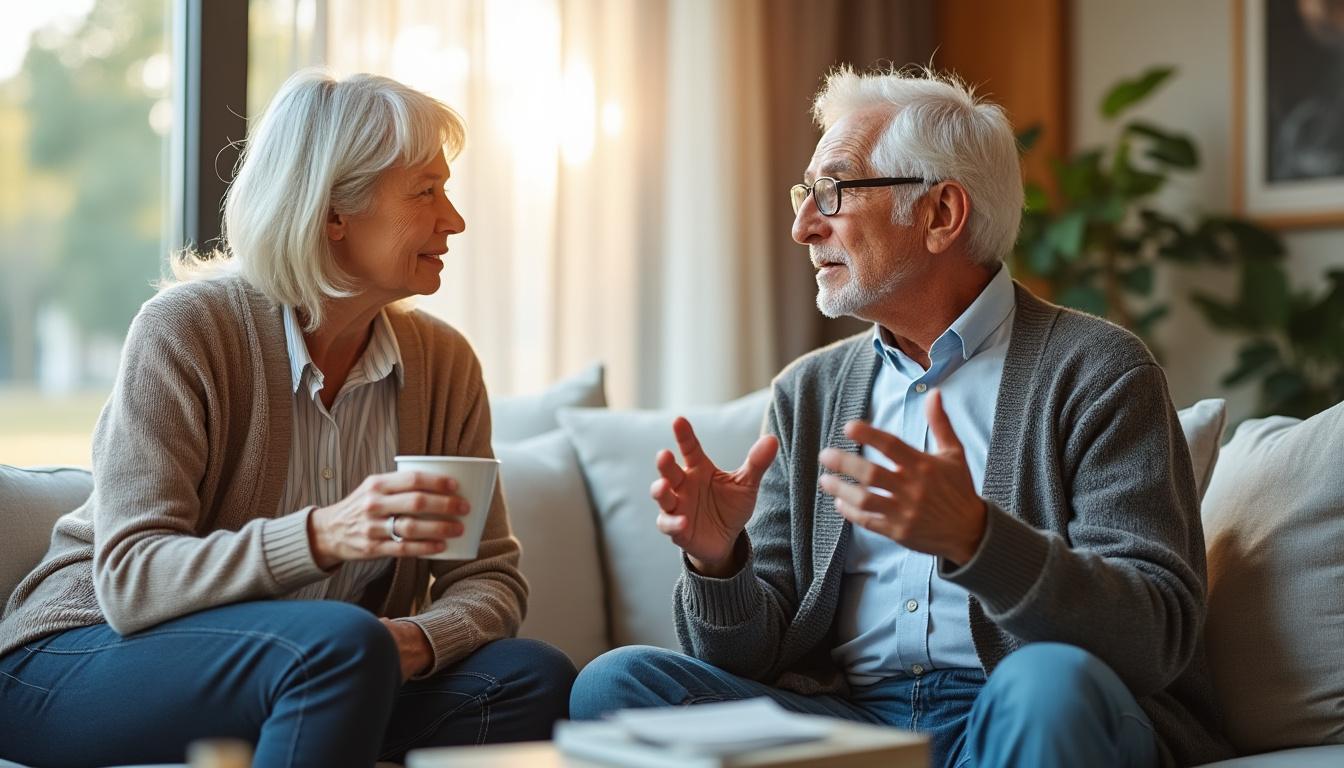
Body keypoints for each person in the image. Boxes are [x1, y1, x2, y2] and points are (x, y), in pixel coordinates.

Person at [570, 66, 1233, 768]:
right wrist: (717, 562)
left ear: (941, 214)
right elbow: (753, 654)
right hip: (854, 725)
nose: (801, 225)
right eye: (805, 193)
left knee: (1049, 682)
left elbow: (1156, 635)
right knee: (616, 683)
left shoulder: (1099, 369)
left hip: (1018, 708)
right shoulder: (810, 389)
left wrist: (979, 540)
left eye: (832, 191)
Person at [0, 70, 575, 768]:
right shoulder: (186, 331)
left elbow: (489, 575)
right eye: (425, 192)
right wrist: (323, 534)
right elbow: (131, 578)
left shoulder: (443, 365)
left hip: (319, 665)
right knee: (340, 645)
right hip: (80, 657)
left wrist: (420, 640)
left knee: (531, 677)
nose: (452, 219)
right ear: (334, 211)